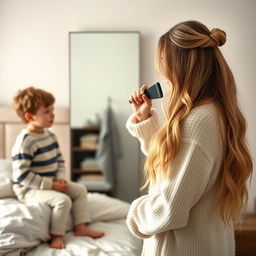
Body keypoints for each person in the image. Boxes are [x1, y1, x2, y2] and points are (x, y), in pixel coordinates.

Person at [126, 20, 253, 256]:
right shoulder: (215, 113)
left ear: (181, 68)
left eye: (165, 68)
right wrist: (145, 122)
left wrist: (134, 212)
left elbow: (169, 210)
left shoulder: (197, 122)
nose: (164, 77)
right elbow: (176, 168)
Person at [11, 87, 104, 249]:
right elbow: (22, 176)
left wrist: (61, 178)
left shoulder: (50, 136)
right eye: (46, 111)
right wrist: (51, 185)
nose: (52, 114)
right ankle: (56, 235)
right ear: (30, 116)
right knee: (63, 200)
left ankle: (81, 227)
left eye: (52, 110)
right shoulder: (24, 142)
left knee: (80, 189)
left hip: (53, 181)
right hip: (28, 189)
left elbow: (60, 161)